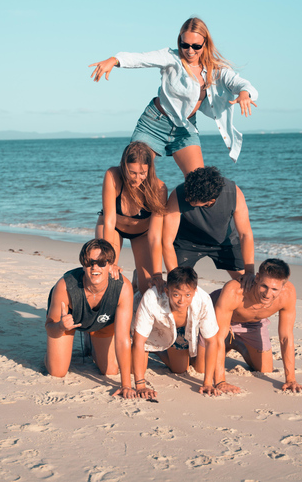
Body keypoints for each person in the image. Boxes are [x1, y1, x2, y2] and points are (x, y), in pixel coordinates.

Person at [89, 17, 258, 176]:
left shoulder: (215, 69)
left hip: (185, 129)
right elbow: (140, 58)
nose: (190, 51)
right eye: (185, 45)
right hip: (154, 124)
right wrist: (114, 60)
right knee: (134, 175)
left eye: (196, 46)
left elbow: (242, 84)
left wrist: (244, 94)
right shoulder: (171, 57)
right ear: (180, 41)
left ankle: (173, 208)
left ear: (205, 44)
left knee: (198, 183)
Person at [196, 258, 302, 394]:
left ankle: (236, 343)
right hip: (218, 322)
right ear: (257, 278)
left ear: (283, 286)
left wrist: (290, 380)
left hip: (253, 325)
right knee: (200, 369)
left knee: (265, 369)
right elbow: (218, 338)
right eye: (264, 286)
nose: (267, 294)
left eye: (274, 289)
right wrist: (220, 382)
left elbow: (286, 337)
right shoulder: (234, 291)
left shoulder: (288, 294)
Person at [44, 239, 136, 398]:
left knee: (111, 370)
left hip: (102, 323)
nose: (95, 267)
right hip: (68, 324)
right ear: (83, 263)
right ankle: (51, 353)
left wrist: (126, 385)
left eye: (101, 262)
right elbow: (49, 327)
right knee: (57, 372)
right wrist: (60, 326)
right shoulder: (65, 286)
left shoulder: (123, 288)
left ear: (110, 265)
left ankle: (91, 338)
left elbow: (122, 338)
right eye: (89, 262)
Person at [161, 166, 255, 293]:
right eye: (187, 194)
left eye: (191, 199)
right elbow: (167, 241)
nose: (187, 198)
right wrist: (174, 278)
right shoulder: (179, 194)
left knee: (247, 285)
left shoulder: (233, 193)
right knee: (177, 286)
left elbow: (245, 234)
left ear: (210, 201)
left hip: (224, 242)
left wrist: (249, 272)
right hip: (188, 242)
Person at [131, 267, 220, 398]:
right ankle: (136, 286)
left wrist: (207, 383)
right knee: (133, 370)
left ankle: (157, 349)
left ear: (194, 292)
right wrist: (140, 385)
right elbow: (139, 342)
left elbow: (211, 341)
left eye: (188, 295)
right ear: (167, 291)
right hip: (147, 323)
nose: (182, 301)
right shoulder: (152, 297)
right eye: (176, 294)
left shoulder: (203, 300)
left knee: (180, 369)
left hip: (177, 328)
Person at [96, 142, 168, 292]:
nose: (137, 178)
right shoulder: (112, 176)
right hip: (113, 229)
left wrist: (157, 274)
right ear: (123, 166)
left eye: (142, 173)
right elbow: (109, 221)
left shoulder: (159, 189)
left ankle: (137, 279)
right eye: (132, 172)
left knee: (148, 288)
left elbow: (155, 236)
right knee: (107, 276)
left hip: (141, 234)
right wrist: (109, 262)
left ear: (150, 169)